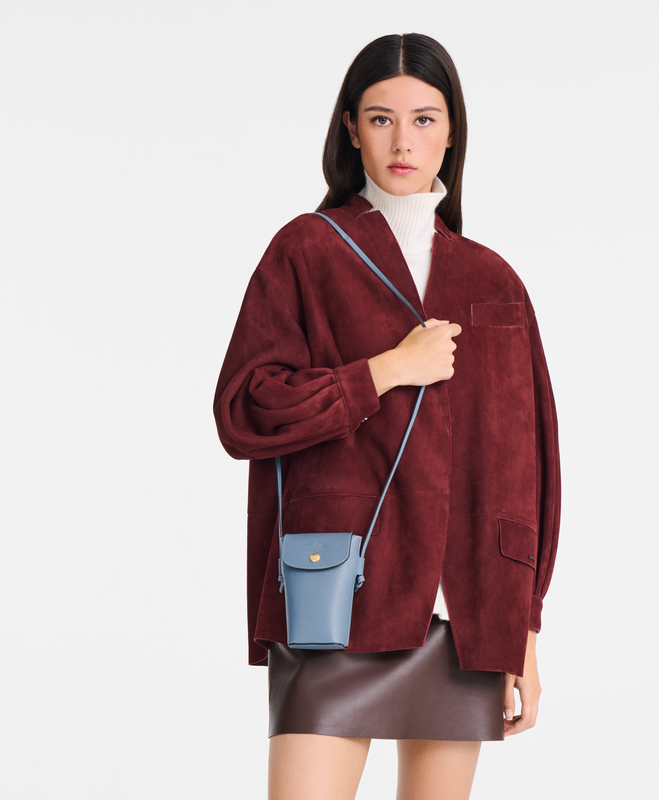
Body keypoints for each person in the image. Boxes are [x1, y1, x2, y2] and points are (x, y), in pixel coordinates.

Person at [213, 32, 561, 800]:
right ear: (350, 129)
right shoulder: (306, 251)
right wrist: (386, 371)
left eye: (425, 119)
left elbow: (528, 467)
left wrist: (523, 629)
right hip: (335, 593)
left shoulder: (492, 279)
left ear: (452, 131)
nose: (403, 141)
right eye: (381, 119)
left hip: (463, 610)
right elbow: (244, 410)